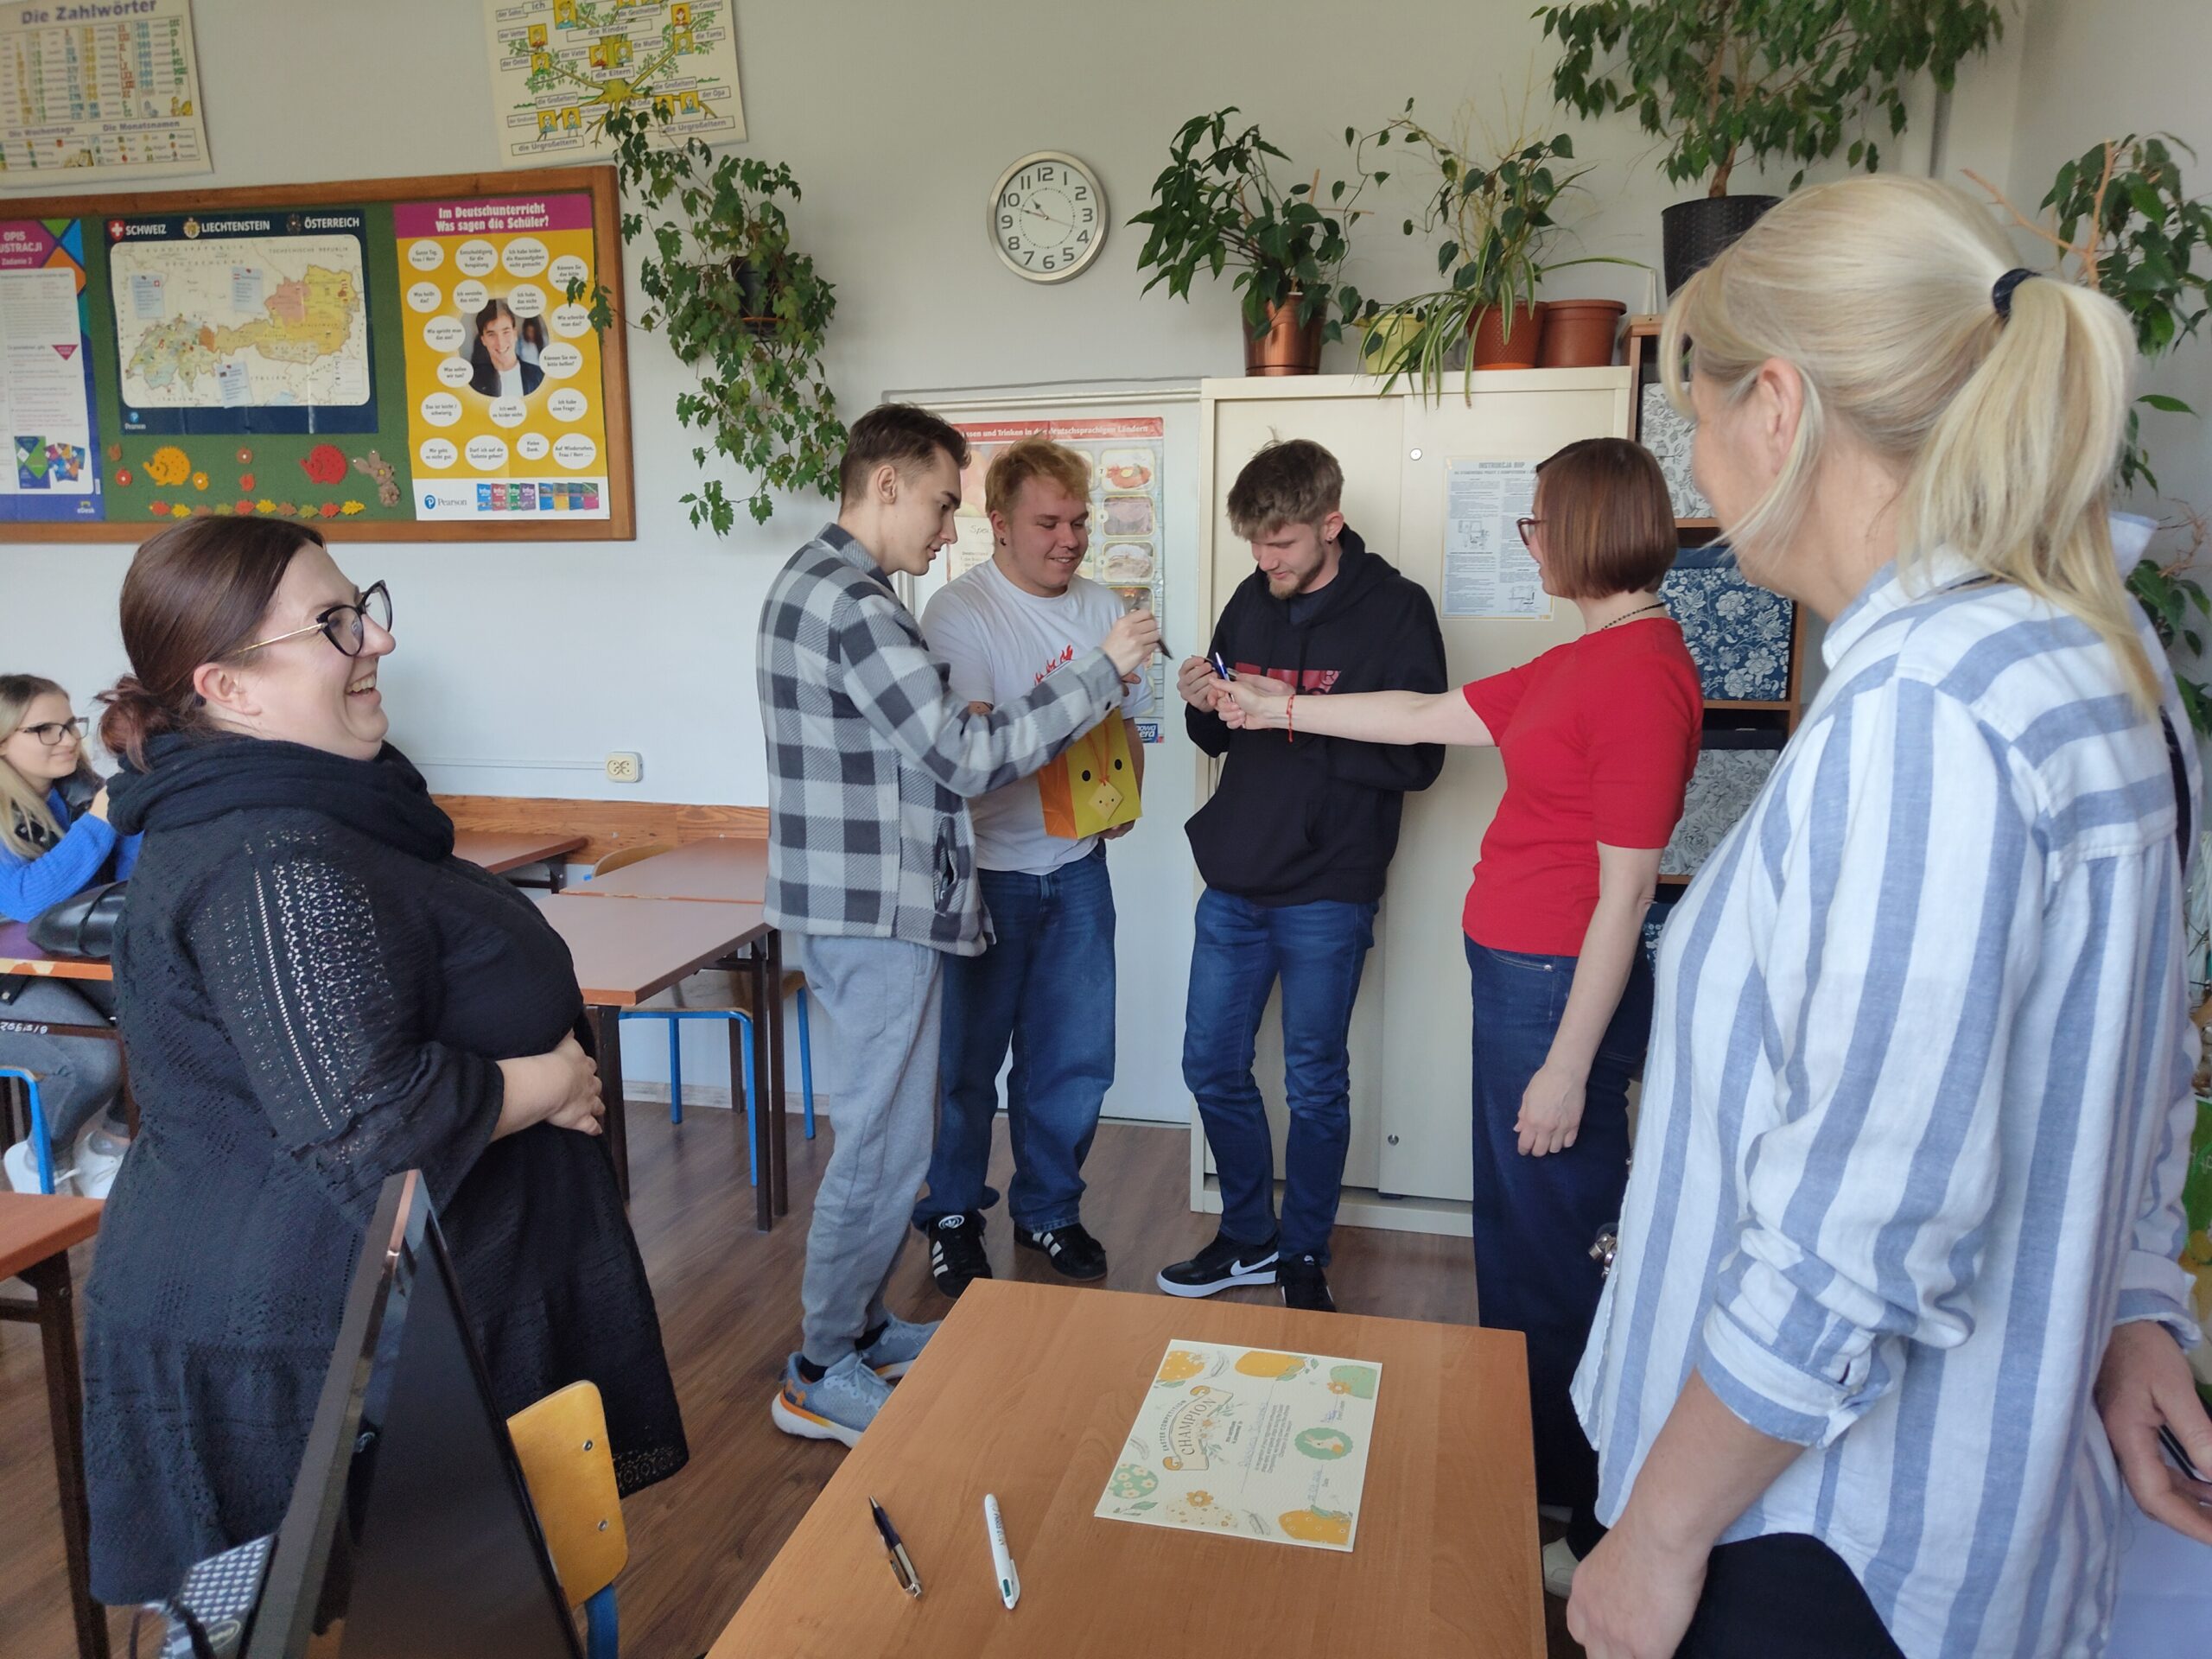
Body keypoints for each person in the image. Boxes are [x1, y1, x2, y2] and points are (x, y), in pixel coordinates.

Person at [1564, 175, 2212, 1659]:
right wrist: (2134, 1303)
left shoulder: (1927, 712)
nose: (1697, 472)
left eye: (1697, 419)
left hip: (1819, 1543)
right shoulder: (2096, 654)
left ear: (1779, 409)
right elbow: (2137, 1061)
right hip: (1989, 1526)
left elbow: (1858, 1233)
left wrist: (1655, 1535)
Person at [81, 519, 685, 1605]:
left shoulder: (329, 809)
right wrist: (549, 1082)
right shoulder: (271, 858)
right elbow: (370, 1122)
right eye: (332, 625)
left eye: (362, 608)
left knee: (475, 1610)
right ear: (228, 687)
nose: (377, 641)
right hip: (298, 1348)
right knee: (367, 1622)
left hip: (387, 1311)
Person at [1211, 437, 1700, 1583]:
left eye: (1537, 523)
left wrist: (1567, 1068)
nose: (1527, 542)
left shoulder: (1638, 675)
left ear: (1586, 531)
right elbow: (1425, 713)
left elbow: (1628, 892)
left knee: (1556, 1248)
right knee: (1520, 1237)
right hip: (1522, 978)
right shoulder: (1584, 657)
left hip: (1555, 997)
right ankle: (1532, 1479)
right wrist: (1280, 708)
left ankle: (1587, 1516)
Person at [758, 404, 1158, 1445]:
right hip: (876, 912)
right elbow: (967, 758)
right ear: (886, 483)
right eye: (941, 505)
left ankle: (859, 1326)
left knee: (892, 1134)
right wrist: (1099, 671)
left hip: (866, 903)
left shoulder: (819, 582)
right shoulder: (857, 604)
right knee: (883, 1148)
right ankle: (819, 1368)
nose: (947, 532)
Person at [1157, 437, 1446, 1314]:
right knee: (1211, 1065)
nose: (1265, 560)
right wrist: (1204, 702)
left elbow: (1420, 758)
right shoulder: (1253, 598)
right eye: (1254, 543)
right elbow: (1219, 738)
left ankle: (1303, 1252)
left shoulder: (1397, 609)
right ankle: (1249, 1236)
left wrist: (1292, 713)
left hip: (1329, 886)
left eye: (1280, 542)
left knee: (1315, 1082)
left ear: (1331, 523)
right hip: (1235, 880)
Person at [909, 436, 1151, 1295]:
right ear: (999, 523)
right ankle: (951, 1214)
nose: (1070, 539)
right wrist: (1089, 686)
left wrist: (1124, 800)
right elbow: (979, 751)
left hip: (1078, 868)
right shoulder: (958, 614)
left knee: (1073, 1063)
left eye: (1079, 521)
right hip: (985, 875)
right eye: (1049, 523)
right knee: (966, 1069)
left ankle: (1048, 1209)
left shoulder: (1102, 607)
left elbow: (1121, 725)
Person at [0, 675, 138, 1195]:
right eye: (45, 729)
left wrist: (138, 811)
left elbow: (126, 882)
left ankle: (109, 1146)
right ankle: (42, 1157)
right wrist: (100, 821)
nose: (68, 739)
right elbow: (28, 900)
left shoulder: (76, 794)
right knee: (93, 1063)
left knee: (175, 1011)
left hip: (47, 963)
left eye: (70, 724)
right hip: (8, 979)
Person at [468, 297, 543, 399]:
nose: (500, 342)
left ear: (515, 334)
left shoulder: (539, 376)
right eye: (491, 334)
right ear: (483, 340)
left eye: (506, 332)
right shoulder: (472, 383)